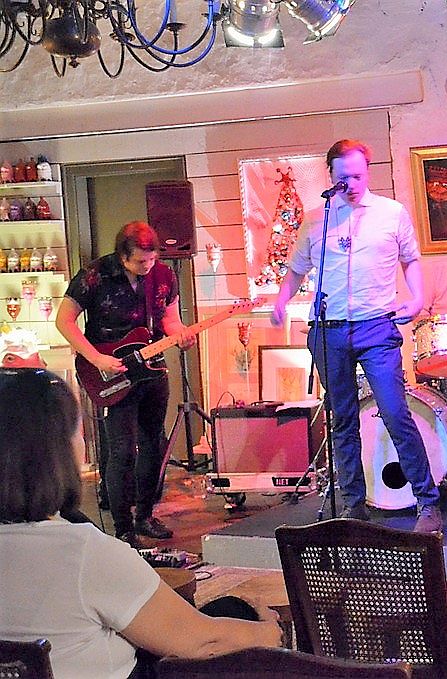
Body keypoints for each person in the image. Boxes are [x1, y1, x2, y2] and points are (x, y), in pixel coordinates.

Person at [0, 367, 282, 679]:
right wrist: (267, 633)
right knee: (236, 626)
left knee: (228, 610)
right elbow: (203, 642)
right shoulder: (84, 554)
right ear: (57, 451)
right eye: (76, 431)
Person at [271, 138, 442, 533]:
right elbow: (296, 269)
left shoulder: (391, 213)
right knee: (342, 420)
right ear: (330, 175)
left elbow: (411, 259)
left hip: (376, 326)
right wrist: (281, 301)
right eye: (344, 177)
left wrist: (417, 299)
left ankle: (427, 501)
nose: (352, 184)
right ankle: (352, 505)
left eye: (359, 176)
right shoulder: (317, 220)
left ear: (368, 173)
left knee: (395, 411)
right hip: (329, 329)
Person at [56, 221, 195, 546]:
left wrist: (181, 335)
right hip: (110, 370)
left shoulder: (164, 276)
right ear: (122, 256)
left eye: (152, 259)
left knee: (154, 443)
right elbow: (64, 321)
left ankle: (145, 515)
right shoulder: (94, 275)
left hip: (152, 368)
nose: (148, 266)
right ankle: (123, 527)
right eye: (140, 262)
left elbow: (170, 319)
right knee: (121, 450)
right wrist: (96, 358)